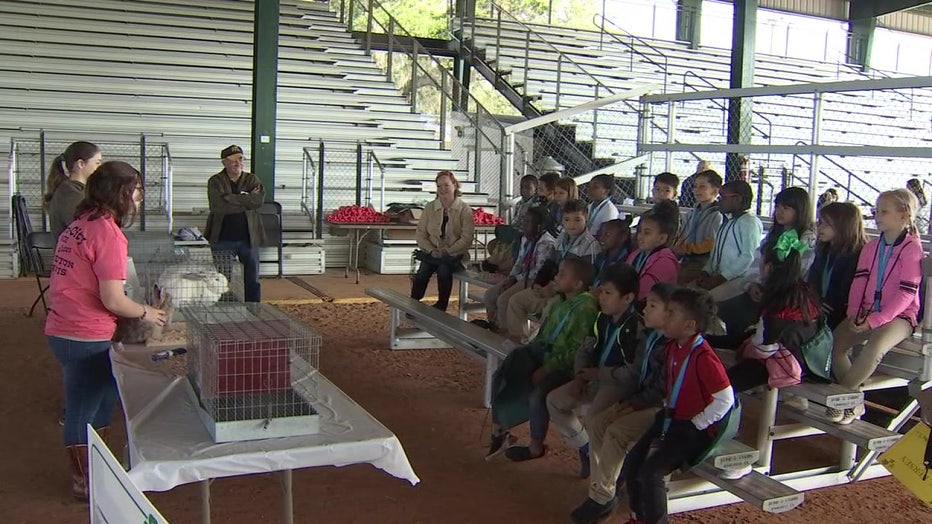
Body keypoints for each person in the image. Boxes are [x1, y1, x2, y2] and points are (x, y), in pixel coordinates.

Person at [45, 161, 168, 501]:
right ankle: (84, 481)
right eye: (137, 193)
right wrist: (148, 312)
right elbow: (113, 299)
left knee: (105, 396)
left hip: (66, 327)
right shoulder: (108, 233)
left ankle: (97, 466)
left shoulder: (82, 223)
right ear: (121, 194)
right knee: (82, 407)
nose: (139, 200)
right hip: (83, 333)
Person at [623, 288, 734, 524]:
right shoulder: (674, 346)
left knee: (650, 473)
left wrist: (696, 423)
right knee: (632, 463)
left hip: (692, 429)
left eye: (671, 313)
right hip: (671, 418)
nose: (665, 317)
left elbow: (726, 399)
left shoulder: (704, 357)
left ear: (689, 326)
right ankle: (638, 516)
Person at [569, 282, 674, 524]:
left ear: (670, 314)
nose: (645, 310)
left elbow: (660, 391)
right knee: (596, 424)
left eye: (652, 306)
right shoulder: (648, 337)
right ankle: (604, 490)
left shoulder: (668, 346)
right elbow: (637, 373)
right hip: (640, 400)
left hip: (661, 409)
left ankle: (602, 497)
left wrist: (629, 404)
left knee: (615, 431)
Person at [487, 257, 599, 462]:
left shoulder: (586, 308)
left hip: (564, 366)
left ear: (578, 284)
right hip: (543, 354)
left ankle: (536, 447)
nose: (556, 277)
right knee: (504, 373)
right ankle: (499, 429)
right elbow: (544, 334)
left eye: (563, 275)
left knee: (538, 396)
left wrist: (547, 368)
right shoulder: (559, 301)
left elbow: (577, 351)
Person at [830, 189, 923, 424]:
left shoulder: (912, 248)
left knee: (875, 346)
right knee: (836, 343)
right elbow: (859, 281)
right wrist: (854, 314)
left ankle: (841, 396)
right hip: (867, 311)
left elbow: (906, 293)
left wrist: (875, 320)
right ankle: (854, 400)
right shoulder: (871, 247)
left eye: (884, 212)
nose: (877, 216)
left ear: (903, 215)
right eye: (876, 211)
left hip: (900, 317)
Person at [546, 263, 640, 478]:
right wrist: (580, 376)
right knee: (554, 400)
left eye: (608, 293)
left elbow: (632, 373)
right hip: (594, 376)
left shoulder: (634, 327)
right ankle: (585, 447)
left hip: (619, 384)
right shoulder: (602, 318)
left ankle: (606, 478)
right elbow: (585, 349)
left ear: (628, 298)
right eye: (601, 291)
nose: (602, 297)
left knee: (594, 417)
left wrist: (599, 375)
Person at [724, 232, 819, 396]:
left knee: (721, 386)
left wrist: (746, 349)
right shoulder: (803, 290)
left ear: (767, 267)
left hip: (785, 365)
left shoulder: (776, 301)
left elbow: (763, 349)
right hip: (808, 360)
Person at [715, 187, 816, 336]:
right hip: (762, 291)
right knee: (722, 310)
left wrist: (772, 285)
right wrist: (751, 285)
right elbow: (755, 264)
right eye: (777, 207)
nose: (779, 212)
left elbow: (801, 274)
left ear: (800, 211)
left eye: (786, 208)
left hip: (786, 299)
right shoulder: (774, 235)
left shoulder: (808, 240)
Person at [505, 200, 600, 341]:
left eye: (577, 220)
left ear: (586, 219)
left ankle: (542, 347)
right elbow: (550, 264)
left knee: (550, 310)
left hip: (570, 295)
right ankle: (518, 342)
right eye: (567, 219)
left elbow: (584, 280)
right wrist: (539, 283)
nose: (572, 224)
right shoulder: (561, 238)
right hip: (551, 286)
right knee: (515, 301)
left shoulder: (590, 245)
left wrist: (555, 289)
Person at [204, 145, 265, 303]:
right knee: (222, 280)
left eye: (240, 159)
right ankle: (225, 309)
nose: (237, 163)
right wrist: (245, 200)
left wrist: (230, 197)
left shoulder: (252, 179)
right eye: (232, 161)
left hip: (248, 238)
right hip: (222, 238)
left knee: (252, 278)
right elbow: (217, 207)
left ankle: (254, 308)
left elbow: (258, 201)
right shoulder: (215, 181)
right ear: (224, 163)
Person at [480, 207, 555, 332]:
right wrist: (511, 277)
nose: (523, 224)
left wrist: (516, 278)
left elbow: (537, 271)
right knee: (489, 296)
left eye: (527, 222)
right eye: (523, 221)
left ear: (539, 226)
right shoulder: (525, 238)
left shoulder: (546, 243)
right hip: (521, 277)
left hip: (534, 280)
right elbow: (519, 262)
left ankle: (509, 335)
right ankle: (495, 327)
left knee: (504, 300)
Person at [410, 171, 476, 312]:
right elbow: (421, 234)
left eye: (446, 185)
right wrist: (431, 250)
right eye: (439, 186)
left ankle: (442, 305)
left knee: (443, 270)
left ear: (454, 185)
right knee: (423, 271)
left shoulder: (464, 209)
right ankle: (413, 304)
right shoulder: (430, 207)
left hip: (455, 255)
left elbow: (467, 238)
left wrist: (448, 251)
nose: (443, 189)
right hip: (432, 253)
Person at [693, 181, 763, 301]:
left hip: (738, 279)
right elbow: (716, 253)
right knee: (687, 292)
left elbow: (748, 257)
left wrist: (721, 278)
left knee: (705, 300)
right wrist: (706, 271)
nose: (719, 201)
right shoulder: (728, 222)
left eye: (722, 197)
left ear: (737, 199)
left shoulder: (749, 222)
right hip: (720, 276)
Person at [807, 202, 868, 330]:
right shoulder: (824, 250)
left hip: (840, 312)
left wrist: (822, 310)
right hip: (819, 306)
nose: (820, 228)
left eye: (826, 224)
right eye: (820, 222)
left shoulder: (856, 255)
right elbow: (813, 280)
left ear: (843, 227)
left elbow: (843, 292)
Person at [44, 141, 102, 240]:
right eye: (97, 163)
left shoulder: (76, 190)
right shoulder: (71, 194)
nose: (99, 168)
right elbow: (87, 231)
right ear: (81, 164)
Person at [673, 170, 723, 284]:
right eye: (695, 186)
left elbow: (711, 243)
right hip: (687, 259)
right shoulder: (691, 213)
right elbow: (682, 235)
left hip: (703, 262)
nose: (696, 190)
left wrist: (686, 249)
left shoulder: (717, 215)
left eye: (702, 187)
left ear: (715, 190)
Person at [626, 201, 680, 301]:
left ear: (662, 238)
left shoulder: (665, 262)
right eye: (640, 231)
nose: (640, 237)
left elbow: (644, 294)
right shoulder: (636, 254)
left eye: (647, 233)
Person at [592, 218, 634, 288]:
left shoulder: (626, 261)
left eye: (607, 235)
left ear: (622, 237)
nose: (601, 238)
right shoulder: (600, 256)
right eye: (601, 234)